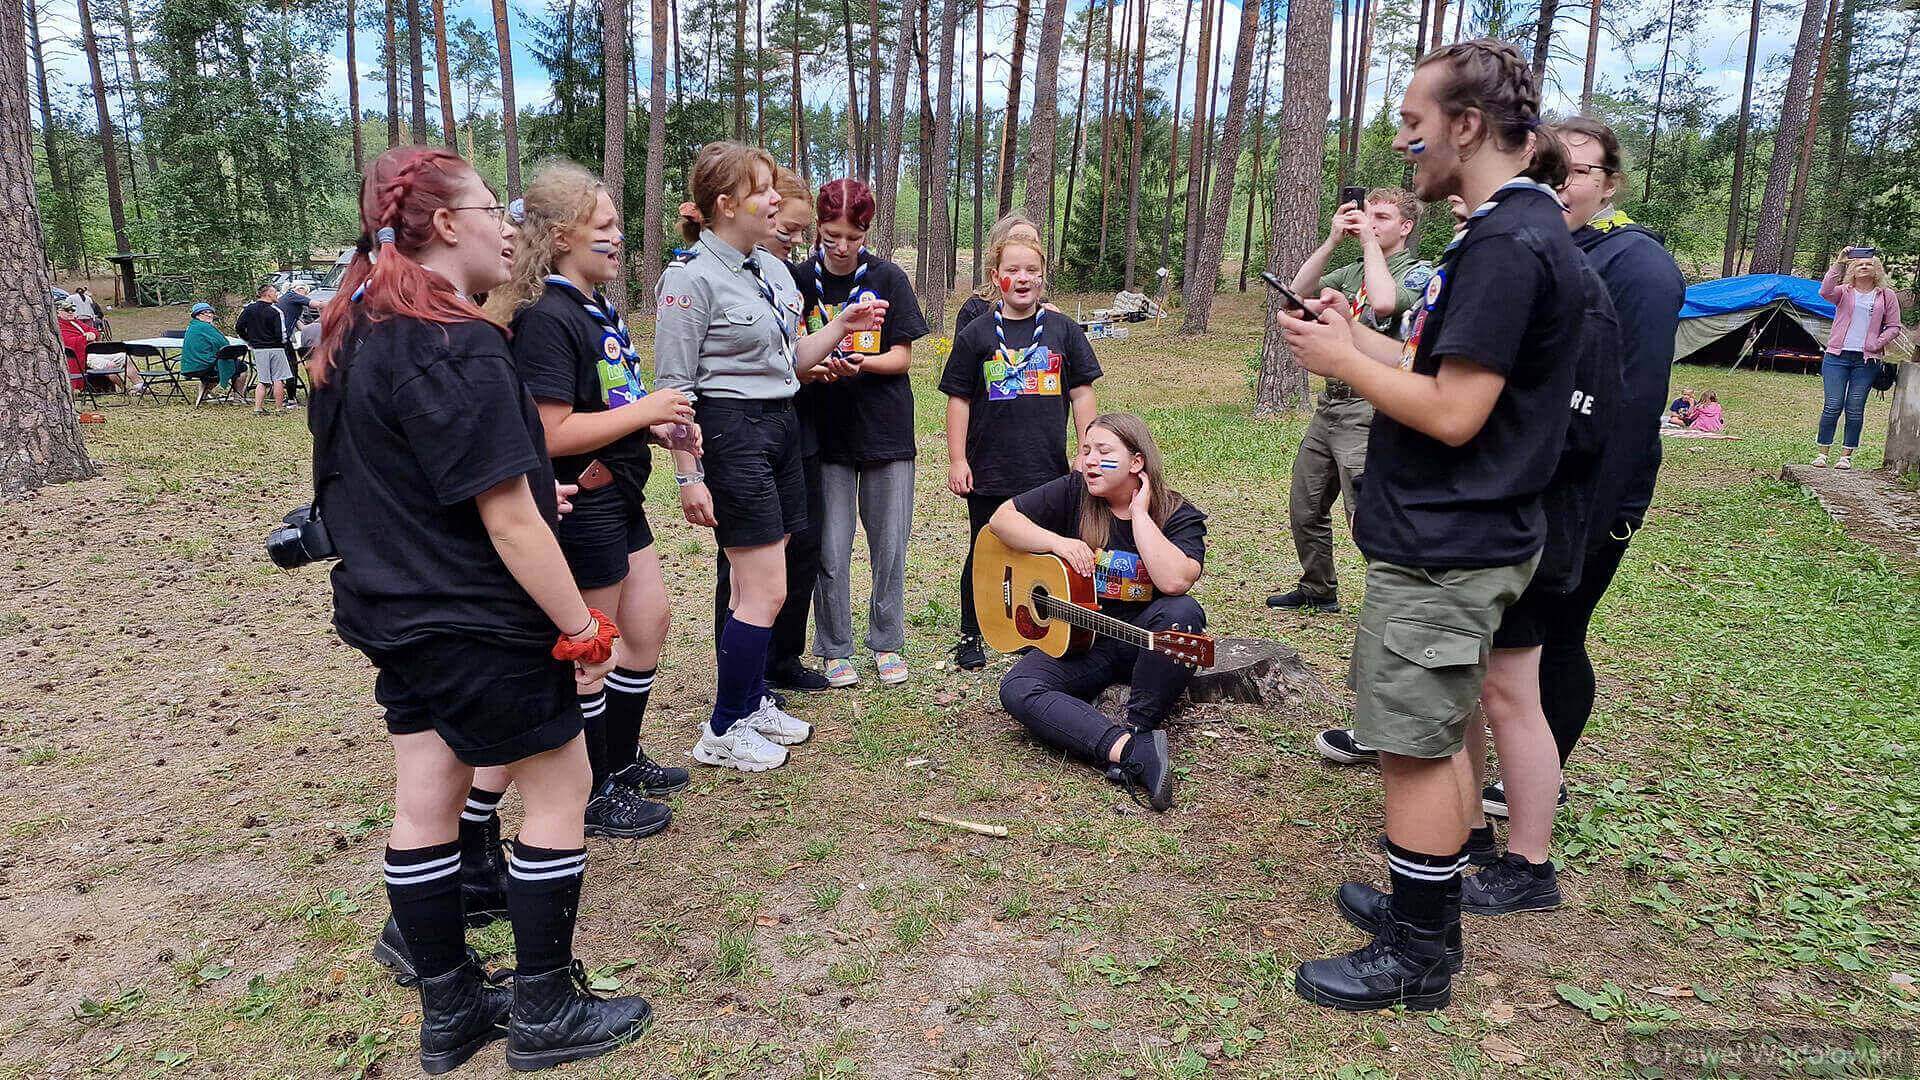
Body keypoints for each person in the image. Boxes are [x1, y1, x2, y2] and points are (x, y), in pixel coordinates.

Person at [309, 145, 650, 1072]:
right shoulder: (456, 343)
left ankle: (451, 1007)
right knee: (560, 787)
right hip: (478, 616)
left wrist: (539, 491)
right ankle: (542, 1007)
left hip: (392, 609)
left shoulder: (354, 332)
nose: (509, 227)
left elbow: (399, 481)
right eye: (493, 210)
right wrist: (581, 628)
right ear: (447, 225)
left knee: (425, 799)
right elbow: (507, 523)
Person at [1276, 40, 1583, 1011]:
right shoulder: (1508, 231)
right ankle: (1427, 911)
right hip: (1460, 536)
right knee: (1440, 736)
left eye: (1417, 116)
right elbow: (1441, 368)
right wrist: (1356, 336)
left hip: (1450, 542)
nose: (1404, 137)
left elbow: (1454, 412)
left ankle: (1417, 959)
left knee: (1412, 744)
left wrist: (1341, 363)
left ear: (1466, 124)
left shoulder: (1504, 245)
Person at [654, 141, 888, 773]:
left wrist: (844, 325)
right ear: (727, 206)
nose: (777, 200)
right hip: (733, 431)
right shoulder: (688, 279)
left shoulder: (769, 269)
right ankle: (724, 727)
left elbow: (788, 362)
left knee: (768, 587)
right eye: (763, 191)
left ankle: (751, 699)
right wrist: (688, 476)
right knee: (762, 589)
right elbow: (674, 390)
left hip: (781, 423)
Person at [487, 160, 699, 841]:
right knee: (595, 654)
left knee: (649, 625)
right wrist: (645, 414)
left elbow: (600, 403)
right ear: (561, 237)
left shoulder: (592, 306)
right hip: (586, 504)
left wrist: (652, 422)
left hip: (622, 497)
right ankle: (589, 793)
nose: (616, 238)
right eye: (604, 226)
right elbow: (546, 434)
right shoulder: (549, 317)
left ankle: (617, 757)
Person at [992, 414, 1203, 811]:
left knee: (1183, 613)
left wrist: (1140, 515)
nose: (1089, 460)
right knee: (1018, 688)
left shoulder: (1177, 514)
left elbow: (1176, 581)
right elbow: (1002, 519)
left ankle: (1140, 723)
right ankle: (1128, 749)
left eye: (1103, 452)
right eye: (1086, 450)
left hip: (1144, 642)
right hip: (1081, 641)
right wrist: (1056, 542)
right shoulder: (1075, 493)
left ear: (1136, 462)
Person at [941, 233, 1102, 671]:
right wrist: (959, 459)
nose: (1022, 278)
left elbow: (1082, 392)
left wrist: (1085, 449)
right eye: (1012, 270)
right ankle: (972, 632)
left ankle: (1033, 629)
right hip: (990, 469)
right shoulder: (976, 333)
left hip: (1046, 470)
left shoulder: (1063, 330)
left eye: (1032, 270)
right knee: (984, 549)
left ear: (1043, 277)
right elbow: (958, 399)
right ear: (996, 278)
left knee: (1043, 551)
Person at [793, 179, 930, 687]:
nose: (842, 246)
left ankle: (887, 640)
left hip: (886, 433)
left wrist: (861, 364)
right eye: (831, 235)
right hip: (823, 434)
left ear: (866, 231)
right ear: (818, 230)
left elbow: (903, 358)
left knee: (889, 545)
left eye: (853, 236)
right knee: (831, 546)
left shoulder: (889, 279)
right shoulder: (798, 279)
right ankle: (833, 645)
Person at [1274, 188, 1434, 622]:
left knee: (1363, 513)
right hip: (1331, 403)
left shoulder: (1418, 272)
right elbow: (1294, 291)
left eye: (1382, 217)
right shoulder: (1352, 269)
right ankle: (1317, 587)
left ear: (1406, 226)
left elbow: (1384, 302)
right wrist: (1331, 241)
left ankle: (1395, 603)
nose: (1372, 222)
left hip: (1371, 403)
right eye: (1368, 215)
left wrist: (1366, 240)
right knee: (1305, 504)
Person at [709, 167, 838, 693]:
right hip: (741, 434)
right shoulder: (711, 276)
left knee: (800, 546)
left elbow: (790, 348)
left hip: (796, 427)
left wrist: (827, 347)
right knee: (746, 562)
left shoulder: (789, 276)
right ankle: (740, 674)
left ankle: (782, 658)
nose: (793, 238)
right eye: (787, 226)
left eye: (801, 231)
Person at [1814, 251, 1902, 469]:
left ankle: (1846, 456)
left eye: (1868, 264)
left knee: (1854, 407)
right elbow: (1825, 291)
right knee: (1833, 405)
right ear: (1853, 269)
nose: (1864, 267)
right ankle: (1822, 453)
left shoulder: (1886, 295)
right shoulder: (1844, 291)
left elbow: (1894, 327)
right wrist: (1838, 263)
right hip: (1837, 356)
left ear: (1876, 270)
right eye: (1860, 264)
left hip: (1866, 361)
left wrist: (1876, 343)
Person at [953, 214, 1046, 337]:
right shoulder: (975, 309)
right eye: (1017, 240)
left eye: (1032, 242)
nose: (1024, 248)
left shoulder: (1044, 309)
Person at [237, 283, 292, 415]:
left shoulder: (249, 309)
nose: (277, 294)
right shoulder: (276, 311)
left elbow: (239, 327)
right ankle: (279, 408)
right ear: (268, 294)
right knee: (278, 379)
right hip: (276, 348)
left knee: (262, 380)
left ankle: (258, 408)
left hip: (259, 349)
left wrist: (250, 340)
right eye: (274, 292)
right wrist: (283, 344)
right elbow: (282, 333)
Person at [178, 303, 242, 405]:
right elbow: (224, 344)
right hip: (204, 366)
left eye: (210, 312)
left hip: (189, 366)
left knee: (219, 365)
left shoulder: (192, 326)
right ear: (197, 315)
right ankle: (238, 397)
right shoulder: (205, 327)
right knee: (241, 366)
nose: (209, 315)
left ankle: (202, 396)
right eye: (205, 313)